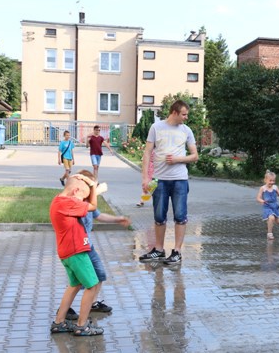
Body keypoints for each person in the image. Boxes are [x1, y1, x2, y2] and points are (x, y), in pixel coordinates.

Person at [139, 100, 198, 266]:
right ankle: (158, 250)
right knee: (159, 216)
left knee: (180, 216)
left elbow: (194, 156)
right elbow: (147, 153)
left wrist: (178, 159)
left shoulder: (187, 131)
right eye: (184, 114)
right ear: (174, 112)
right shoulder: (156, 128)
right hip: (159, 180)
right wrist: (145, 178)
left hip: (180, 179)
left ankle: (177, 252)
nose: (186, 118)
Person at [49, 173, 104, 336]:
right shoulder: (68, 203)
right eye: (83, 195)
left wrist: (89, 187)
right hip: (76, 252)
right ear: (75, 191)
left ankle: (59, 322)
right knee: (92, 285)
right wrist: (94, 187)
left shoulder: (58, 200)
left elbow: (86, 204)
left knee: (75, 285)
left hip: (67, 252)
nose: (85, 200)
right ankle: (82, 325)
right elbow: (93, 206)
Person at [73, 170, 130, 315]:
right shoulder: (75, 204)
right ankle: (65, 309)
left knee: (99, 275)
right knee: (78, 282)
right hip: (78, 248)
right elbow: (81, 206)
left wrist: (118, 219)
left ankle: (92, 304)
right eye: (90, 187)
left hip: (88, 246)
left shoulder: (89, 204)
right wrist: (96, 191)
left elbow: (99, 215)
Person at [256, 170, 279, 239]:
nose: (272, 182)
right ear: (265, 180)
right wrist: (262, 201)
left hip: (275, 206)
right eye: (270, 181)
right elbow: (258, 198)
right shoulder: (263, 188)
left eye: (273, 181)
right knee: (271, 218)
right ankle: (269, 233)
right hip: (267, 206)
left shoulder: (275, 187)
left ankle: (269, 222)